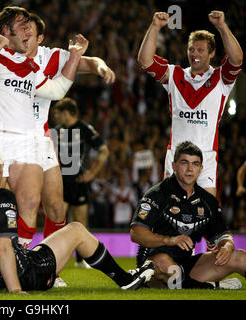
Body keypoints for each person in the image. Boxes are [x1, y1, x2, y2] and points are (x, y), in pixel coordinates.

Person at [0, 6, 87, 287]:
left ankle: (20, 264)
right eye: (22, 26)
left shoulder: (30, 66)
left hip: (25, 139)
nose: (29, 31)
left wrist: (75, 57)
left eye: (29, 27)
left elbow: (57, 91)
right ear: (5, 30)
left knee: (28, 203)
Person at [0, 146, 154, 292]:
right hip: (25, 276)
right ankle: (124, 279)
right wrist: (16, 291)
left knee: (37, 247)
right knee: (77, 229)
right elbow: (2, 248)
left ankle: (125, 278)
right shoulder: (2, 197)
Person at [137, 10, 243, 199]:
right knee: (172, 215)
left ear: (212, 53)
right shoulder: (175, 75)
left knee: (206, 216)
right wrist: (155, 27)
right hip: (177, 157)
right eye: (191, 49)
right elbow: (145, 61)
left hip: (206, 157)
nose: (194, 54)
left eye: (200, 50)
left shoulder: (221, 78)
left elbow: (237, 59)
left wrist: (222, 27)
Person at [130, 141, 246, 289]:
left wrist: (227, 246)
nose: (190, 169)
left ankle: (203, 285)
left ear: (201, 168)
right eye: (184, 163)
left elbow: (223, 234)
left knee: (240, 257)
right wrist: (169, 240)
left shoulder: (207, 201)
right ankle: (211, 287)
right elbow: (136, 233)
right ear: (174, 166)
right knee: (163, 263)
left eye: (195, 164)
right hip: (157, 264)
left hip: (189, 266)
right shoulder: (157, 194)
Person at [53, 97, 110, 267]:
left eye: (57, 113)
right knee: (58, 222)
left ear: (66, 112)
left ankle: (81, 259)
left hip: (78, 182)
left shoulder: (85, 129)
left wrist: (92, 173)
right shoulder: (55, 131)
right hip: (60, 183)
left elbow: (104, 150)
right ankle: (55, 258)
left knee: (80, 222)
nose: (55, 116)